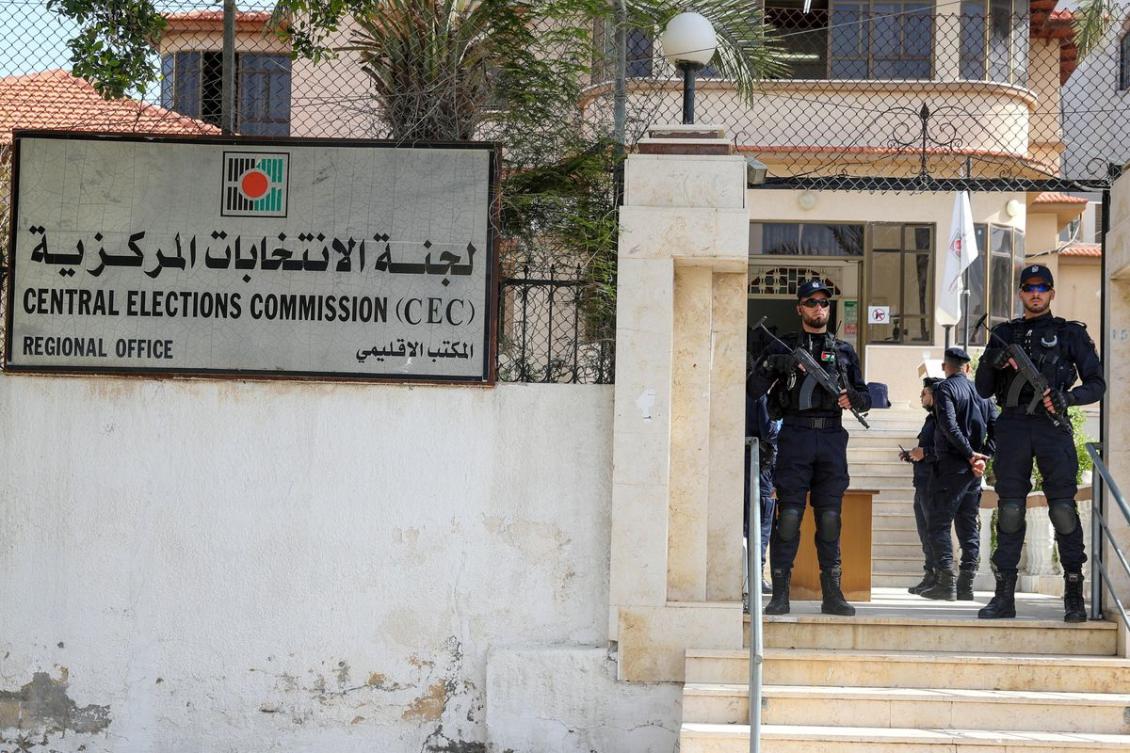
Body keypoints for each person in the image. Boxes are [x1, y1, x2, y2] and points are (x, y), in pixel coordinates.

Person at [975, 264, 1105, 622]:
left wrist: (1068, 398)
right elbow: (983, 389)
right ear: (1020, 293)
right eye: (1029, 288)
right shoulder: (1004, 333)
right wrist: (992, 361)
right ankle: (1004, 596)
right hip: (1014, 424)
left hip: (1052, 426)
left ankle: (1074, 595)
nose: (1036, 293)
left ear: (1051, 293)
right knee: (1012, 508)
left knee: (1062, 508)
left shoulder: (1069, 334)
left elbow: (1097, 383)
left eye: (1042, 288)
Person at [748, 279, 871, 616]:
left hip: (831, 437)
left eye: (824, 303)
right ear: (799, 308)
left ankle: (832, 593)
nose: (819, 308)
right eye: (812, 302)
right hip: (796, 437)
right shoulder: (783, 347)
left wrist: (855, 398)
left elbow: (865, 395)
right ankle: (780, 593)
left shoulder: (844, 351)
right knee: (788, 517)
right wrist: (779, 364)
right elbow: (753, 388)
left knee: (830, 518)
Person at [919, 347, 996, 601]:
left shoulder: (944, 389)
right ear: (969, 367)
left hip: (951, 466)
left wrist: (970, 455)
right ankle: (966, 585)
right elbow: (997, 428)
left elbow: (949, 426)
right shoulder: (984, 395)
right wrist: (982, 456)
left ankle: (946, 583)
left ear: (945, 367)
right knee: (968, 526)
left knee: (939, 524)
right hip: (973, 471)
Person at [903, 377, 941, 595]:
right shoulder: (930, 420)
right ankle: (930, 575)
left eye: (924, 393)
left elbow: (946, 450)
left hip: (933, 483)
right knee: (924, 532)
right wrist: (912, 455)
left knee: (932, 531)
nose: (920, 397)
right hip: (922, 482)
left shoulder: (942, 420)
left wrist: (924, 453)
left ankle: (938, 577)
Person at [744, 393, 779, 598]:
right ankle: (756, 574)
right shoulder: (763, 396)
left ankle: (749, 574)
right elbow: (769, 431)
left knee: (749, 523)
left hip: (748, 462)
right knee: (761, 523)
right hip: (761, 467)